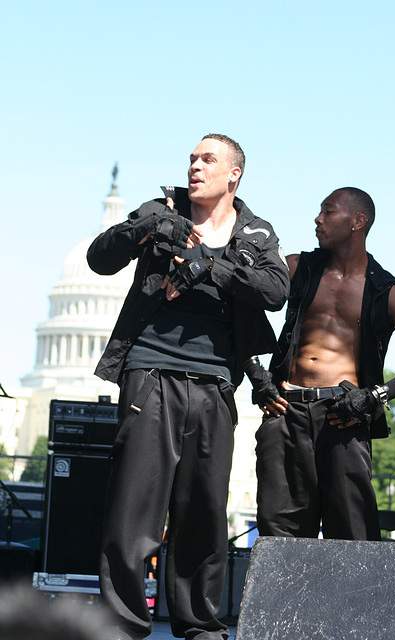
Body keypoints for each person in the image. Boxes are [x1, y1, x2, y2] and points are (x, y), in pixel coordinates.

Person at [87, 134, 290, 640]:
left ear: (234, 174)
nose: (196, 167)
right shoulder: (162, 209)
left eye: (208, 160)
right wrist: (142, 229)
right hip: (151, 373)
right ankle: (123, 623)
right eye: (192, 159)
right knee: (135, 507)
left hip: (216, 383)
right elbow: (99, 257)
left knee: (202, 509)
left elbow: (274, 290)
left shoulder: (256, 231)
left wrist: (211, 266)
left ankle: (200, 625)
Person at [246, 187, 395, 541]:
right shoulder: (297, 268)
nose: (318, 219)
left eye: (328, 212)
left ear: (358, 222)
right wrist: (256, 374)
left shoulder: (388, 291)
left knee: (352, 537)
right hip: (285, 412)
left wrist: (376, 397)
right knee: (278, 537)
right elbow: (240, 308)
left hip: (343, 415)